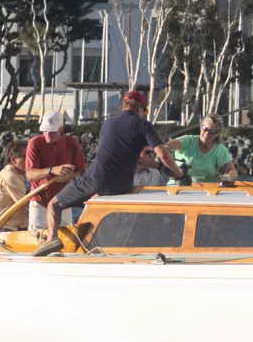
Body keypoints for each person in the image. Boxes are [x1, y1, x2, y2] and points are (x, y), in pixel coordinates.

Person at [34, 90, 185, 256]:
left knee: (54, 205)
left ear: (123, 105)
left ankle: (52, 239)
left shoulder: (108, 123)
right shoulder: (143, 125)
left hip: (96, 179)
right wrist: (177, 173)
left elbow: (126, 156)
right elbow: (158, 154)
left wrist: (163, 167)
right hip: (122, 185)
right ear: (141, 109)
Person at [24, 110, 86, 232]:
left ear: (61, 129)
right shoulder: (34, 143)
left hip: (63, 200)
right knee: (37, 237)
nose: (47, 135)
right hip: (40, 202)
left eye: (52, 132)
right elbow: (29, 175)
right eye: (45, 130)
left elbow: (81, 171)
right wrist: (52, 170)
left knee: (66, 238)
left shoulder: (71, 143)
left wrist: (68, 177)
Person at [163, 115, 238, 183]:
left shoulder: (220, 150)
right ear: (200, 127)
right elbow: (165, 148)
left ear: (217, 134)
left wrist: (225, 177)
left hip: (206, 192)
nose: (207, 134)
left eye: (212, 132)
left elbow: (232, 172)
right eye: (205, 129)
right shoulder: (187, 141)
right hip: (177, 189)